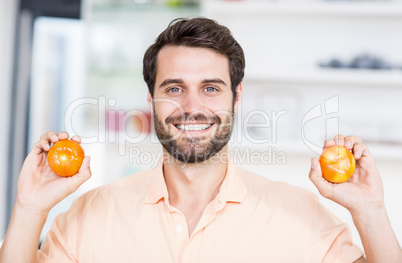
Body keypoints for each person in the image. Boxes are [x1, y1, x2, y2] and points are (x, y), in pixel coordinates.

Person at [0, 17, 401, 263]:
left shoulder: (302, 215)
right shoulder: (89, 215)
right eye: (174, 89)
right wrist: (28, 206)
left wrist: (370, 210)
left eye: (211, 88)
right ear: (151, 99)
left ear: (237, 96)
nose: (192, 107)